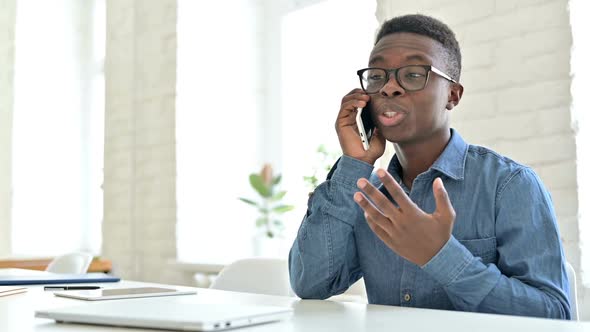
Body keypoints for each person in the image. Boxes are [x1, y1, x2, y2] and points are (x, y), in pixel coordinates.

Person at [288, 14, 571, 319]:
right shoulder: (365, 195)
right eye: (376, 76)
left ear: (453, 95)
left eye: (412, 74)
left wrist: (441, 255)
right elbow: (310, 284)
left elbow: (554, 315)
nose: (389, 87)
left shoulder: (510, 185)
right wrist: (354, 164)